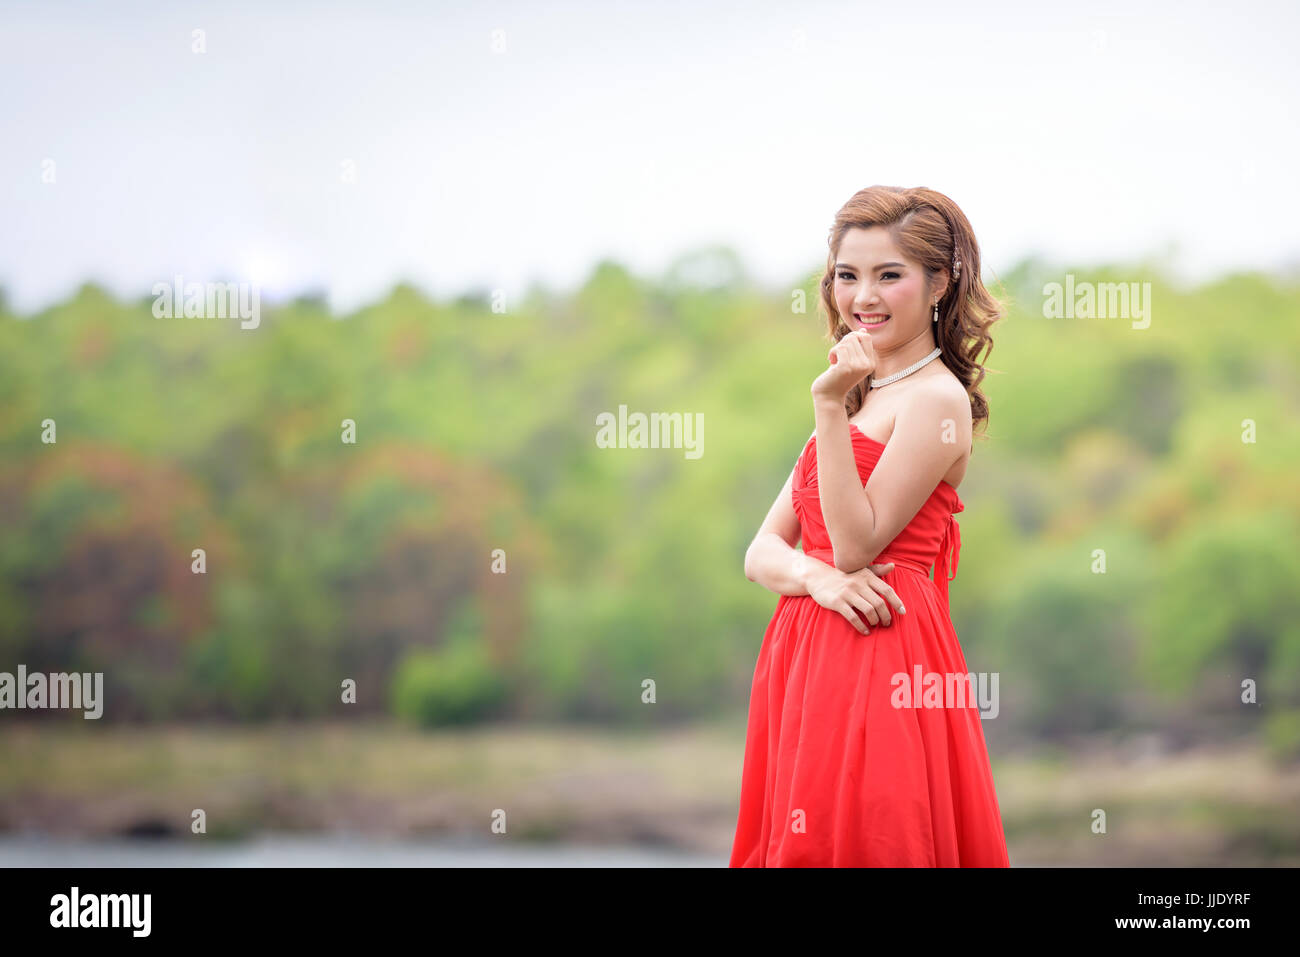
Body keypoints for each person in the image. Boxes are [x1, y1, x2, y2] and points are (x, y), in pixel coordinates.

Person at [730, 185, 1010, 867]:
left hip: (880, 649)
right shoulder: (858, 396)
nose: (865, 296)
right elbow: (762, 551)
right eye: (848, 276)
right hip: (805, 650)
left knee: (874, 836)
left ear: (939, 282)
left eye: (890, 275)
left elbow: (859, 542)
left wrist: (827, 410)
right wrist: (816, 578)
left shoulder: (936, 398)